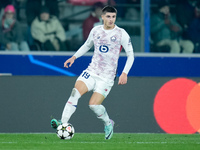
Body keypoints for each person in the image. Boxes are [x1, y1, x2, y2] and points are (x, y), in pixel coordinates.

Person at [51, 6, 134, 140]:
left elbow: (131, 55)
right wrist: (74, 57)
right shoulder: (96, 30)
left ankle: (108, 123)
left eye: (113, 17)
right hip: (91, 71)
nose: (111, 19)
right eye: (108, 16)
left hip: (107, 77)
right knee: (74, 93)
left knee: (93, 105)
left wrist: (124, 73)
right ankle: (63, 123)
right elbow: (87, 45)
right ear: (102, 17)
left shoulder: (121, 33)